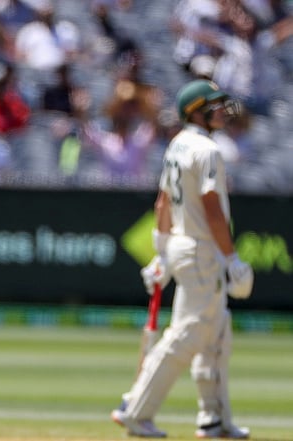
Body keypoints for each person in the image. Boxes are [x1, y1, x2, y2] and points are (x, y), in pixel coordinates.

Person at [110, 79, 254, 439]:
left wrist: (161, 251)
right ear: (197, 111)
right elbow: (212, 208)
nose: (222, 111)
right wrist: (232, 259)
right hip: (201, 250)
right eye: (214, 105)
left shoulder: (178, 143)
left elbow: (162, 202)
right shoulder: (207, 149)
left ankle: (214, 419)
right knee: (187, 336)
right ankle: (136, 410)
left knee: (216, 337)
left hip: (184, 245)